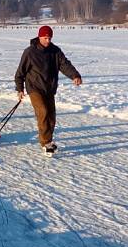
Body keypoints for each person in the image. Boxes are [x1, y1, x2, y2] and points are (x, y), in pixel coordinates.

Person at [14, 25, 82, 157]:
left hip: (49, 88)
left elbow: (64, 64)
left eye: (50, 38)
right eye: (45, 38)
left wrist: (75, 75)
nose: (48, 41)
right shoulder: (30, 52)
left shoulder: (55, 51)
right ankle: (46, 142)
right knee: (43, 112)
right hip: (34, 88)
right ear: (39, 37)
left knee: (51, 117)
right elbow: (20, 73)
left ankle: (48, 139)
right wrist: (20, 89)